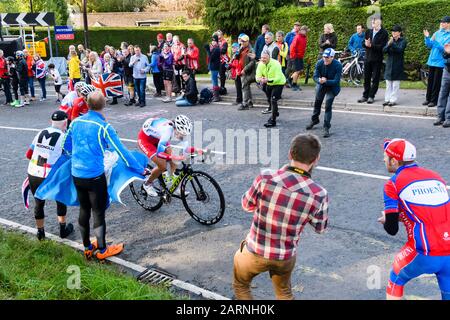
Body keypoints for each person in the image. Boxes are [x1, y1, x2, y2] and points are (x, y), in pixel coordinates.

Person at [233, 133, 328, 300]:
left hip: (255, 251)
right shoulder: (319, 194)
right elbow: (320, 228)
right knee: (284, 293)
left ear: (290, 153)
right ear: (316, 159)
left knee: (241, 286)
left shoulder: (266, 178)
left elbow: (246, 205)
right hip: (285, 256)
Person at [63, 90, 145, 260]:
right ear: (104, 104)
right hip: (95, 175)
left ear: (87, 104)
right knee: (98, 212)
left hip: (77, 174)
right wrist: (139, 168)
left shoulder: (75, 122)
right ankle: (102, 250)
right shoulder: (104, 127)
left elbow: (67, 145)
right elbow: (122, 151)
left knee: (84, 209)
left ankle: (86, 247)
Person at [379, 138, 450, 300]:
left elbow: (391, 229)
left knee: (396, 278)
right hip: (449, 250)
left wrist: (388, 219)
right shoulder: (436, 177)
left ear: (394, 161)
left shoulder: (393, 184)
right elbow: (431, 212)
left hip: (424, 251)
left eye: (385, 156)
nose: (383, 159)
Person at [26, 111, 74, 240]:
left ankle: (40, 233)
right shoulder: (65, 137)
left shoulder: (40, 132)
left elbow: (28, 154)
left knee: (39, 203)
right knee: (61, 199)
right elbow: (70, 157)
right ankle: (62, 229)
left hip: (34, 172)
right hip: (52, 173)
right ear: (65, 122)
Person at [137, 115, 193, 197]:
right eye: (181, 134)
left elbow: (186, 148)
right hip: (146, 140)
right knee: (162, 166)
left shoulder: (177, 130)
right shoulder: (167, 131)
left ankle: (174, 187)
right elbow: (160, 154)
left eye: (185, 135)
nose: (182, 137)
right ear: (176, 128)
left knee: (174, 161)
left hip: (158, 138)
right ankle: (147, 184)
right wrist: (174, 157)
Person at [306, 48, 342, 138]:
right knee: (317, 103)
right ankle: (314, 120)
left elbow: (336, 81)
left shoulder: (338, 65)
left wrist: (325, 81)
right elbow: (315, 76)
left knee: (328, 105)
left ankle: (326, 127)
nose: (325, 58)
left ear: (333, 57)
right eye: (324, 56)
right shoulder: (319, 62)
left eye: (327, 57)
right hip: (321, 84)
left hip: (332, 87)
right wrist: (319, 80)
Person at [358, 16, 389, 104]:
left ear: (379, 22)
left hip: (377, 59)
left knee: (375, 78)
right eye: (372, 21)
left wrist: (371, 45)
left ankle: (371, 96)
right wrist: (365, 44)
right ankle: (365, 95)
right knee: (366, 78)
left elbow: (382, 47)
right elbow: (363, 43)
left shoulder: (384, 33)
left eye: (374, 21)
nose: (372, 23)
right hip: (367, 58)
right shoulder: (368, 31)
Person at [423, 16, 450, 108]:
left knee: (436, 82)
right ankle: (428, 99)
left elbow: (444, 49)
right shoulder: (437, 33)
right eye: (441, 22)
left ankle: (434, 100)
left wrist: (435, 42)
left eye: (444, 22)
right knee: (430, 81)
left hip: (441, 62)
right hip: (432, 61)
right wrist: (427, 38)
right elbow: (429, 45)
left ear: (449, 23)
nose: (442, 23)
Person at [255, 51, 286, 128]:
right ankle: (275, 112)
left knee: (273, 100)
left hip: (279, 83)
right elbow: (257, 76)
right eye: (262, 58)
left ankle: (273, 121)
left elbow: (278, 78)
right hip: (268, 83)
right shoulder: (260, 64)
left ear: (269, 57)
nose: (263, 59)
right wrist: (260, 79)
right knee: (269, 99)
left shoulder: (276, 64)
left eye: (265, 58)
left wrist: (268, 80)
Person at [383, 25, 407, 107]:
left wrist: (392, 44)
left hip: (398, 65)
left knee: (395, 85)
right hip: (389, 64)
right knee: (388, 84)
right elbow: (384, 50)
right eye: (392, 31)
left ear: (399, 32)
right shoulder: (390, 40)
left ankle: (393, 100)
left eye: (395, 31)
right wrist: (388, 44)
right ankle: (387, 99)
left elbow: (400, 50)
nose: (393, 33)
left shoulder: (403, 41)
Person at [238, 34, 256, 110]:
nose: (242, 43)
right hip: (243, 71)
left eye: (243, 41)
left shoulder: (251, 50)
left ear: (247, 41)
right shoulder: (241, 48)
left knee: (244, 86)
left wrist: (244, 70)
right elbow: (237, 57)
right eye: (241, 41)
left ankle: (245, 103)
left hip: (249, 72)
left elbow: (252, 62)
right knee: (246, 86)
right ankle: (249, 102)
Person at [435, 43, 450, 127]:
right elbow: (444, 56)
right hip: (447, 70)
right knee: (442, 94)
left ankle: (448, 118)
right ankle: (440, 116)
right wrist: (447, 52)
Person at [289, 25, 308, 91]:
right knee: (297, 71)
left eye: (306, 31)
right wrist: (294, 56)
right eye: (305, 31)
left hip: (300, 56)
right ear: (302, 31)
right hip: (295, 56)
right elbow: (292, 47)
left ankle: (289, 79)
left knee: (300, 70)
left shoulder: (305, 37)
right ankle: (294, 85)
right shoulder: (297, 37)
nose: (306, 32)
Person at [204, 34, 222, 102]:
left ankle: (216, 97)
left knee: (215, 82)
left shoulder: (217, 49)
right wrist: (208, 50)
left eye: (214, 41)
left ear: (217, 42)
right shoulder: (214, 48)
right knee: (214, 81)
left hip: (215, 67)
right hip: (213, 67)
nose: (213, 42)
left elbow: (210, 58)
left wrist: (208, 50)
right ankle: (216, 96)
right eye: (212, 41)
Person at [217, 30, 229, 94]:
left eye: (219, 35)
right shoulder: (216, 42)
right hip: (218, 60)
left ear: (222, 35)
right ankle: (220, 87)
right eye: (217, 35)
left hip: (224, 60)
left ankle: (222, 87)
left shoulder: (225, 42)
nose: (218, 37)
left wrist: (216, 50)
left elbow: (223, 51)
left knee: (222, 74)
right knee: (219, 75)